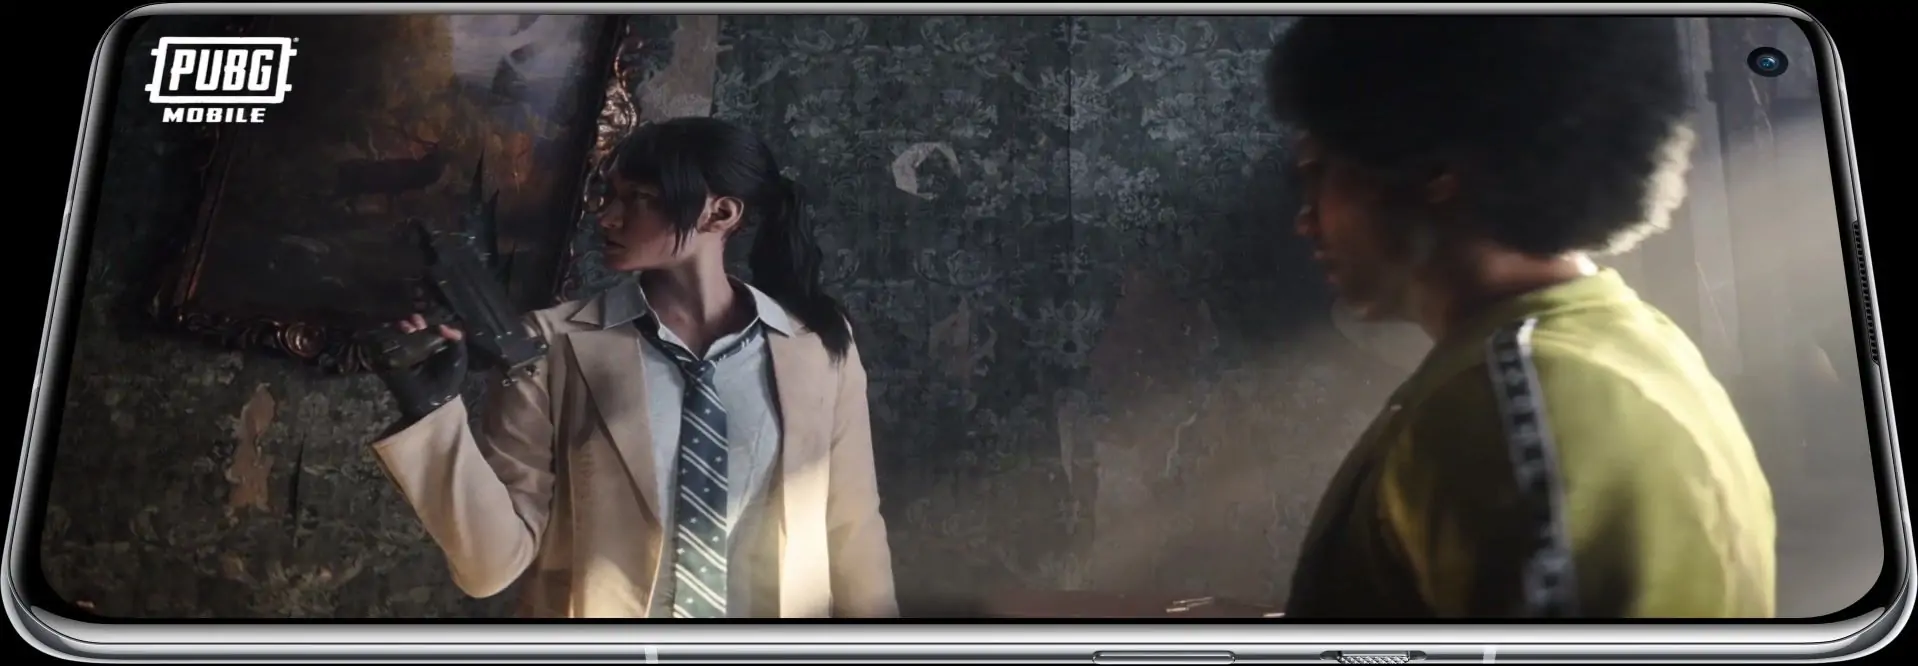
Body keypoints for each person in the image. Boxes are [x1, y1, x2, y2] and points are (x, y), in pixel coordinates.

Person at [1266, 17, 1776, 618]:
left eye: (1318, 172)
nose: (1306, 219)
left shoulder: (1517, 403)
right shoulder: (1622, 346)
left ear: (1431, 170)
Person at [369, 116, 898, 618]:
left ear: (720, 214)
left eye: (640, 199)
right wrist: (431, 413)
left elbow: (853, 530)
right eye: (610, 196)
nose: (607, 218)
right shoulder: (549, 345)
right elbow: (492, 566)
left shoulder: (815, 345)